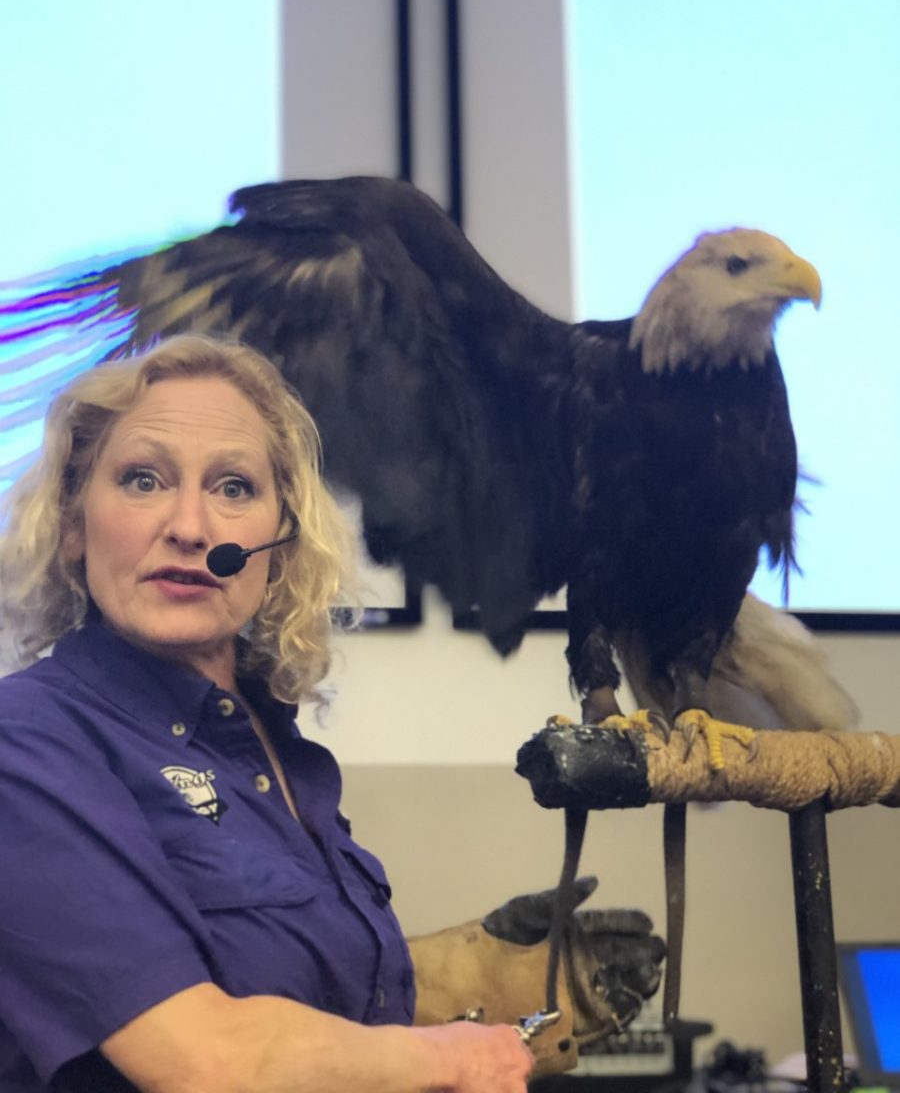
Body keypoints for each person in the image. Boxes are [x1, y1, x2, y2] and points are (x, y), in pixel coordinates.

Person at [0, 334, 664, 1093]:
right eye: (143, 479)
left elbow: (292, 1003)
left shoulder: (272, 751)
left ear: (278, 546)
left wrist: (459, 974)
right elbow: (203, 1058)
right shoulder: (26, 744)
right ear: (75, 525)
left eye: (234, 488)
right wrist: (455, 1058)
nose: (189, 526)